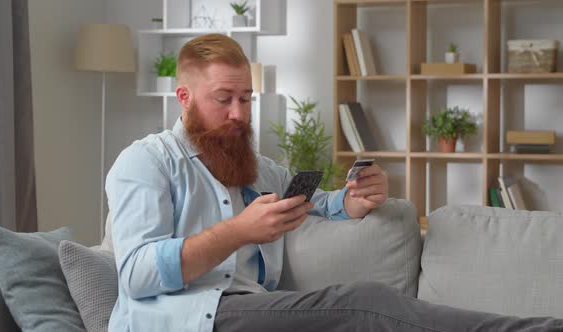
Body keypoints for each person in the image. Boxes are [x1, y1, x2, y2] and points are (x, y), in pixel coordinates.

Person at [105, 34, 562, 332]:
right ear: (183, 98)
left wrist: (353, 200)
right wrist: (238, 231)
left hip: (250, 309)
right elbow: (137, 274)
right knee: (364, 304)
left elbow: (318, 203)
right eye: (223, 99)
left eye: (247, 98)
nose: (240, 114)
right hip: (186, 319)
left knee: (364, 304)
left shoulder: (256, 166)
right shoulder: (145, 162)